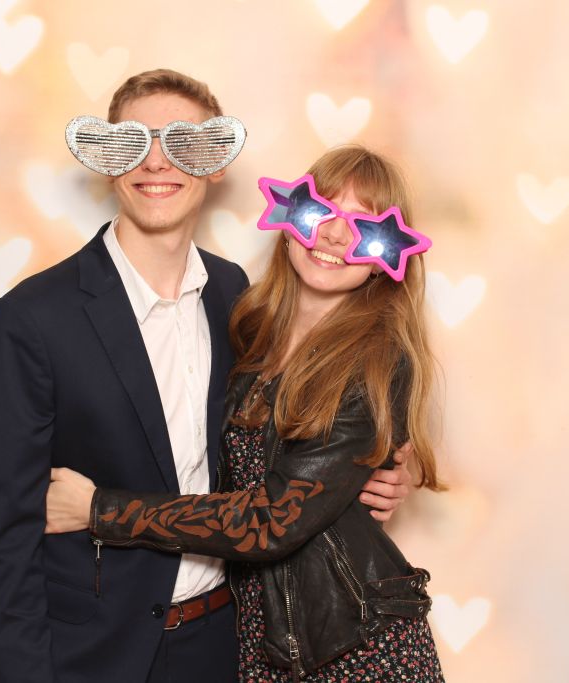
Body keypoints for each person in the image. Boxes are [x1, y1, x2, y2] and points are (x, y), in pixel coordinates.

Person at [0, 69, 409, 683]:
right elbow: (0, 538)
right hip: (92, 654)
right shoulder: (32, 319)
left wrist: (378, 464)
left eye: (184, 143)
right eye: (134, 142)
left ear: (216, 164)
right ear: (108, 161)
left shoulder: (236, 298)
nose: (156, 162)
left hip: (226, 644)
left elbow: (286, 454)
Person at [46, 145, 446, 681]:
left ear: (388, 257)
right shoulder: (248, 325)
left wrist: (100, 510)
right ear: (291, 221)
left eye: (364, 227)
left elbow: (272, 519)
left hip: (355, 649)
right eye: (320, 211)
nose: (334, 236)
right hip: (262, 641)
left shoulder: (375, 363)